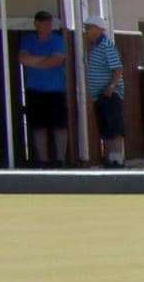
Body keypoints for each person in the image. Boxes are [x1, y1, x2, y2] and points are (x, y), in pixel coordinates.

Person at [17, 10, 69, 167]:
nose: (47, 26)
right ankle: (43, 161)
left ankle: (60, 160)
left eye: (49, 23)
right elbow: (22, 59)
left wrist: (36, 62)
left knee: (59, 126)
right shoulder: (27, 40)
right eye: (44, 23)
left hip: (56, 90)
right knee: (38, 127)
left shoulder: (57, 40)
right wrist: (45, 60)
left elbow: (57, 60)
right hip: (35, 90)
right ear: (36, 24)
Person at [80, 15, 125, 168]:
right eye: (86, 28)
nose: (86, 31)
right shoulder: (91, 46)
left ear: (99, 29)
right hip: (98, 96)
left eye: (89, 28)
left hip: (110, 95)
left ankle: (117, 160)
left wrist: (111, 87)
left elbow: (117, 68)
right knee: (105, 129)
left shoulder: (106, 45)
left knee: (114, 129)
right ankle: (110, 159)